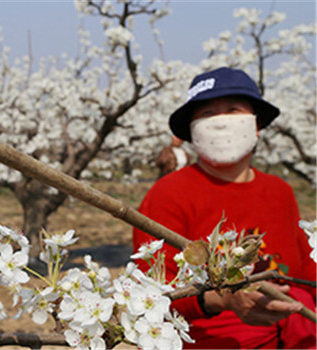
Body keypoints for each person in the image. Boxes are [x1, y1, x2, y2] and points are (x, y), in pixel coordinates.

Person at [133, 67, 316, 349]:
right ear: (192, 131)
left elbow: (305, 270)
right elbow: (150, 295)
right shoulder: (167, 194)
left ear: (255, 126)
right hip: (207, 340)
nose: (220, 122)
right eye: (207, 114)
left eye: (233, 109)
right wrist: (223, 298)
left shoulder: (280, 191)